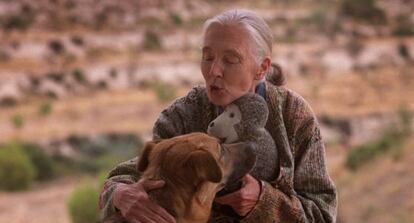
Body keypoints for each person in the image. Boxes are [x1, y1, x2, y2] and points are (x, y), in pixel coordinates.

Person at [99, 9, 337, 223]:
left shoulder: (293, 115)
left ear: (262, 68)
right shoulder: (182, 115)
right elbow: (136, 177)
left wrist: (263, 203)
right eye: (208, 56)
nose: (213, 71)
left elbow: (323, 214)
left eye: (230, 60)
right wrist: (119, 194)